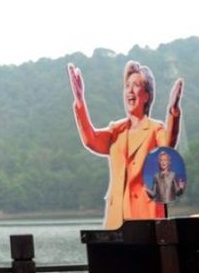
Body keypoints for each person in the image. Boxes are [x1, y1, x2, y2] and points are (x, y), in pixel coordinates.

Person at [67, 61, 183, 229]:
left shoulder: (155, 129)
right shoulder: (117, 130)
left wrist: (173, 111)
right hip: (117, 220)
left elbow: (168, 145)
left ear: (146, 95)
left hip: (146, 218)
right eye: (127, 85)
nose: (129, 90)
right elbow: (91, 140)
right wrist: (79, 101)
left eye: (135, 85)